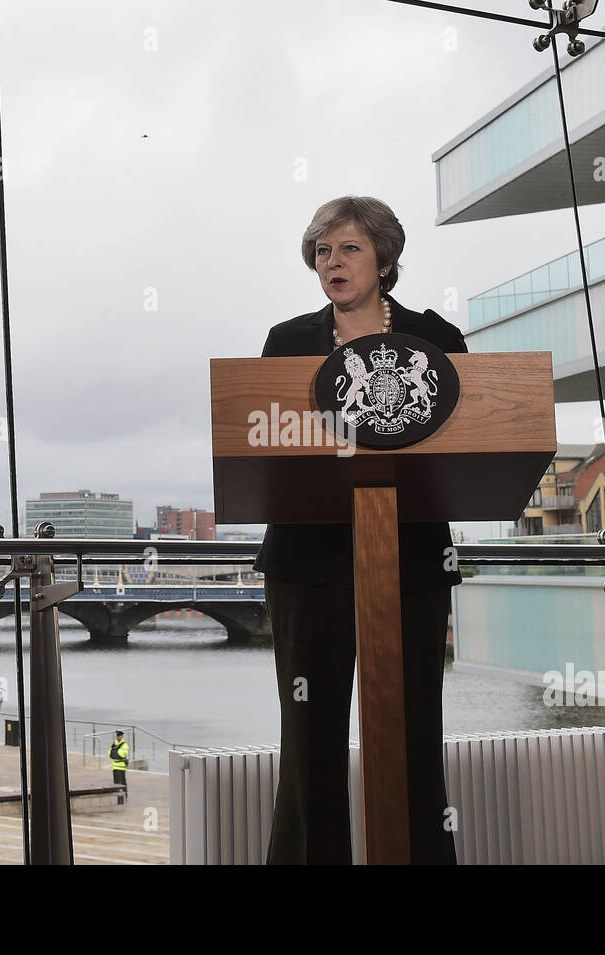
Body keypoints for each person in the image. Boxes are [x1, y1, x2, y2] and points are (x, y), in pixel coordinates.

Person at [254, 195, 464, 865]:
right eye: (322, 251)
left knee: (412, 740)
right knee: (309, 743)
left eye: (348, 248)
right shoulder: (288, 342)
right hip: (305, 569)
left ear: (384, 257)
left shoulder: (437, 338)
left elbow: (468, 442)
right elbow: (260, 445)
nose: (332, 261)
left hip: (411, 566)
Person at [110, 729, 129, 804]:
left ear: (122, 736)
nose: (118, 737)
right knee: (116, 784)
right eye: (117, 735)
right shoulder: (114, 743)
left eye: (119, 735)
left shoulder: (124, 744)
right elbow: (110, 753)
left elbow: (122, 754)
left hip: (121, 767)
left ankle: (125, 798)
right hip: (115, 766)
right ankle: (119, 800)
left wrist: (115, 751)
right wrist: (116, 751)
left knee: (122, 783)